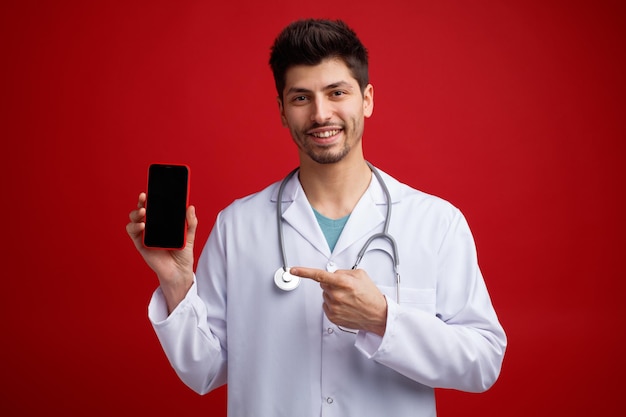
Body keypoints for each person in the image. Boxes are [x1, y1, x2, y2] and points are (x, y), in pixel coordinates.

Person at [126, 18, 506, 417]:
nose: (321, 114)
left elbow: (483, 361)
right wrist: (176, 284)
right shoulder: (237, 226)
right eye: (301, 98)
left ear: (367, 99)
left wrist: (383, 319)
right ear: (282, 110)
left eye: (337, 92)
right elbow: (204, 370)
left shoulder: (436, 223)